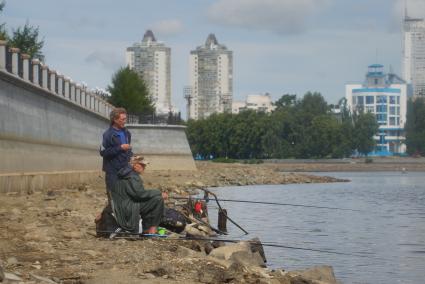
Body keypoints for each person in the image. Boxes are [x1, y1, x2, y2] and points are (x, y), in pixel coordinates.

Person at [110, 156, 168, 234]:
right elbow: (139, 194)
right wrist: (158, 193)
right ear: (135, 165)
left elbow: (137, 194)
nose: (144, 167)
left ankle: (147, 228)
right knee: (158, 200)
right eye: (142, 165)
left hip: (121, 205)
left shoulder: (124, 174)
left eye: (144, 165)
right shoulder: (132, 176)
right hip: (128, 206)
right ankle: (152, 229)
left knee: (152, 200)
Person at [100, 108, 133, 201]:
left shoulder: (127, 133)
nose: (125, 121)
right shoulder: (107, 135)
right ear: (115, 120)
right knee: (113, 197)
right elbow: (103, 152)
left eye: (125, 119)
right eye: (123, 119)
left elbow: (127, 149)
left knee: (127, 196)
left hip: (126, 169)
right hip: (112, 172)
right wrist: (120, 148)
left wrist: (133, 157)